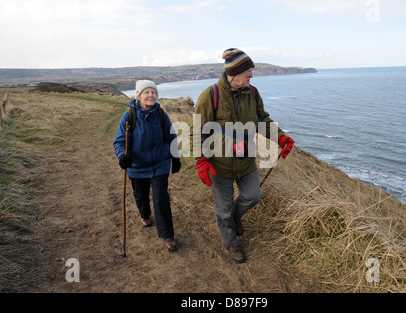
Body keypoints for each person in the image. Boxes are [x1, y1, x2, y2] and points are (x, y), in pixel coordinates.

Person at [193, 48, 294, 263]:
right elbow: (197, 130)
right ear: (235, 73)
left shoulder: (252, 93)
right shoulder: (210, 95)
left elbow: (263, 119)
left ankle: (235, 218)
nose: (252, 75)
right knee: (224, 209)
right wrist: (201, 159)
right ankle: (230, 243)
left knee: (252, 196)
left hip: (246, 160)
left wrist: (281, 138)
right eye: (248, 71)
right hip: (219, 164)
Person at [113, 80, 181, 252]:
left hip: (160, 163)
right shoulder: (129, 115)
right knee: (140, 195)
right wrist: (122, 157)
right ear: (139, 95)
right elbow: (120, 141)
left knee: (161, 198)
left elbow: (171, 137)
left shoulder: (161, 115)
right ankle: (144, 214)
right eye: (147, 92)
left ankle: (168, 235)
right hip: (136, 165)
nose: (150, 95)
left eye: (153, 92)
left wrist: (175, 158)